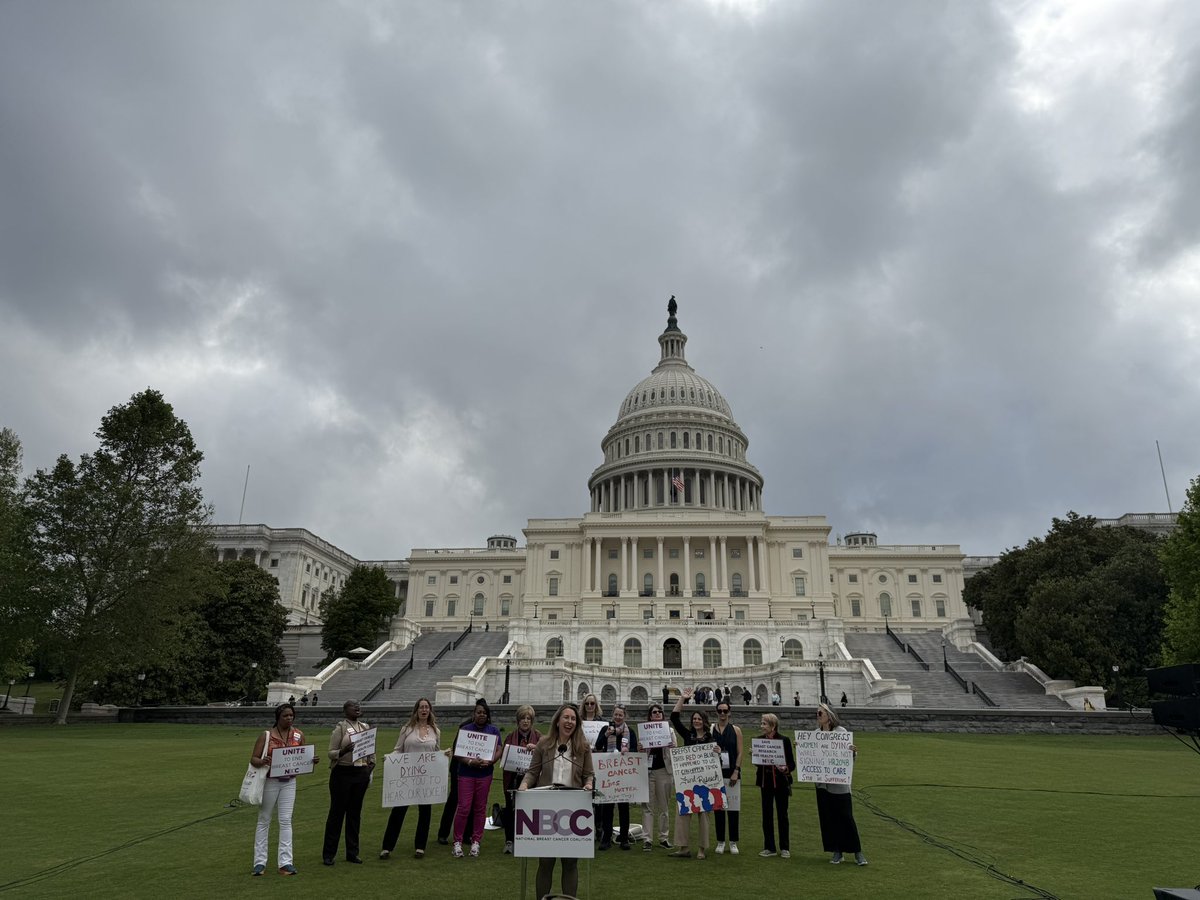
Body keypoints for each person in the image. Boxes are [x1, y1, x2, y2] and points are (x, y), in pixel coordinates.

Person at [519, 703, 595, 900]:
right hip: (547, 808)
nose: (569, 722)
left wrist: (588, 784)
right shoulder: (544, 744)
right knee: (546, 861)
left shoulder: (583, 747)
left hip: (573, 809)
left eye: (573, 719)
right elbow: (532, 772)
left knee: (570, 862)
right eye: (566, 718)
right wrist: (524, 785)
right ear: (558, 721)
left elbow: (589, 775)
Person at [249, 702, 318, 876]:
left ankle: (286, 862)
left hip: (289, 782)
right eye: (285, 716)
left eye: (291, 715)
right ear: (278, 717)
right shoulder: (267, 735)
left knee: (286, 820)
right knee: (264, 819)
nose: (289, 718)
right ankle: (259, 863)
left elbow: (303, 755)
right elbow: (253, 759)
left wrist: (311, 760)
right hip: (270, 781)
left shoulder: (298, 734)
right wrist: (263, 761)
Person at [380, 698, 443, 860]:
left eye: (427, 707)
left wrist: (444, 755)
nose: (424, 710)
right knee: (398, 811)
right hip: (407, 777)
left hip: (426, 778)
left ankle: (420, 847)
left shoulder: (435, 731)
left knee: (425, 813)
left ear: (430, 711)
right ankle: (387, 847)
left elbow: (436, 753)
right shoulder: (407, 729)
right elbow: (398, 749)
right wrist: (389, 758)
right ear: (416, 710)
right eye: (421, 707)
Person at [668, 688, 720, 859]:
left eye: (699, 719)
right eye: (694, 719)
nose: (696, 721)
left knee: (704, 815)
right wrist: (682, 699)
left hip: (705, 782)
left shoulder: (710, 739)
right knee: (683, 813)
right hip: (687, 781)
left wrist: (718, 752)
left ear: (704, 721)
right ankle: (683, 848)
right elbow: (674, 718)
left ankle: (702, 849)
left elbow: (716, 761)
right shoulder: (688, 735)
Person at [323, 699, 374, 866]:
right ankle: (329, 854)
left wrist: (370, 766)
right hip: (342, 773)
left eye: (358, 705)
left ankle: (352, 852)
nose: (357, 707)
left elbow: (370, 750)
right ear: (345, 711)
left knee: (354, 814)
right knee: (337, 814)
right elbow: (331, 753)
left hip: (360, 773)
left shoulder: (365, 727)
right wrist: (344, 751)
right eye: (353, 706)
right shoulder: (341, 728)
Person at [814, 703, 866, 865]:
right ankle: (837, 851)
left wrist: (852, 752)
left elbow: (849, 758)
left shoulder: (841, 732)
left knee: (846, 817)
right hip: (822, 784)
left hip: (840, 784)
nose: (818, 715)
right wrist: (801, 748)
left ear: (829, 715)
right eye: (817, 713)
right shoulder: (815, 734)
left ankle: (857, 852)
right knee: (829, 818)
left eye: (820, 713)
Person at [451, 698, 501, 858]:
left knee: (480, 808)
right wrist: (471, 762)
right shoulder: (465, 729)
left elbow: (499, 749)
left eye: (484, 713)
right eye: (479, 712)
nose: (482, 715)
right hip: (466, 773)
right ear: (474, 714)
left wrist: (490, 761)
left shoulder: (493, 731)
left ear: (488, 715)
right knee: (464, 808)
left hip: (484, 774)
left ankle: (476, 841)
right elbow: (458, 752)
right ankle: (457, 842)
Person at [594, 704, 637, 850]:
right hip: (608, 773)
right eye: (616, 714)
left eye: (620, 715)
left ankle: (624, 838)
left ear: (625, 716)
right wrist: (606, 735)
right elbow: (598, 746)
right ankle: (606, 838)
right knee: (607, 807)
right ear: (612, 715)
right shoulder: (605, 729)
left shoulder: (630, 732)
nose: (618, 717)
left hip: (624, 773)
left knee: (624, 807)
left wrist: (628, 750)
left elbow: (635, 750)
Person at [501, 705, 540, 854]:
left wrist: (536, 748)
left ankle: (529, 839)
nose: (525, 721)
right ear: (518, 720)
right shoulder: (510, 736)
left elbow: (546, 755)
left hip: (532, 780)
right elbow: (504, 759)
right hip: (513, 778)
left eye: (528, 718)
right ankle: (509, 841)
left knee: (531, 809)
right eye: (523, 718)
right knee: (510, 809)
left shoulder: (538, 737)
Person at [755, 712, 795, 858]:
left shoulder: (784, 740)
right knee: (766, 815)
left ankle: (784, 847)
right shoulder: (759, 741)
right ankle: (769, 847)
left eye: (764, 724)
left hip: (781, 783)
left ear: (773, 726)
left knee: (782, 815)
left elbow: (792, 763)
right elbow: (758, 764)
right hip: (765, 783)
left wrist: (786, 768)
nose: (762, 726)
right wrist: (755, 756)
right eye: (762, 723)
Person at [641, 702, 677, 851]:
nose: (657, 714)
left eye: (659, 712)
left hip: (664, 770)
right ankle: (647, 839)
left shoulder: (669, 731)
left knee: (664, 807)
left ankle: (663, 838)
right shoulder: (644, 730)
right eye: (654, 712)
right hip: (648, 771)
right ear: (650, 716)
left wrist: (671, 746)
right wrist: (640, 748)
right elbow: (640, 752)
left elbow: (675, 751)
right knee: (647, 807)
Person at [710, 699, 744, 855]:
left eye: (725, 711)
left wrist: (736, 770)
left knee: (733, 808)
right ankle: (720, 841)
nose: (722, 713)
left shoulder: (736, 730)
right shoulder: (711, 729)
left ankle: (733, 841)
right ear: (716, 712)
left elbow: (740, 752)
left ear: (729, 712)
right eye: (720, 711)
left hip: (732, 773)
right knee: (718, 808)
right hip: (716, 773)